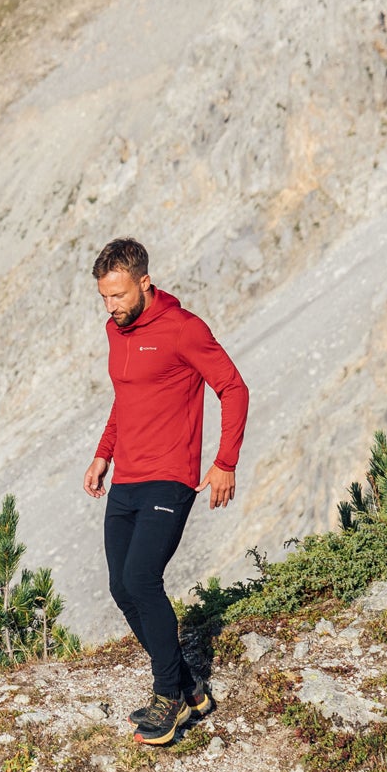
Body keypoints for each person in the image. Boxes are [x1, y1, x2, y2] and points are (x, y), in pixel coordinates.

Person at [82, 237, 250, 746]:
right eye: (104, 298)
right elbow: (127, 398)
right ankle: (187, 686)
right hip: (127, 477)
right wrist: (103, 452)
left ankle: (168, 698)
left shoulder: (183, 329)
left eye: (118, 296)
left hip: (171, 476)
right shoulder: (117, 331)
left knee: (142, 578)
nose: (111, 308)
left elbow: (234, 388)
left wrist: (225, 463)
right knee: (120, 586)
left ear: (144, 282)